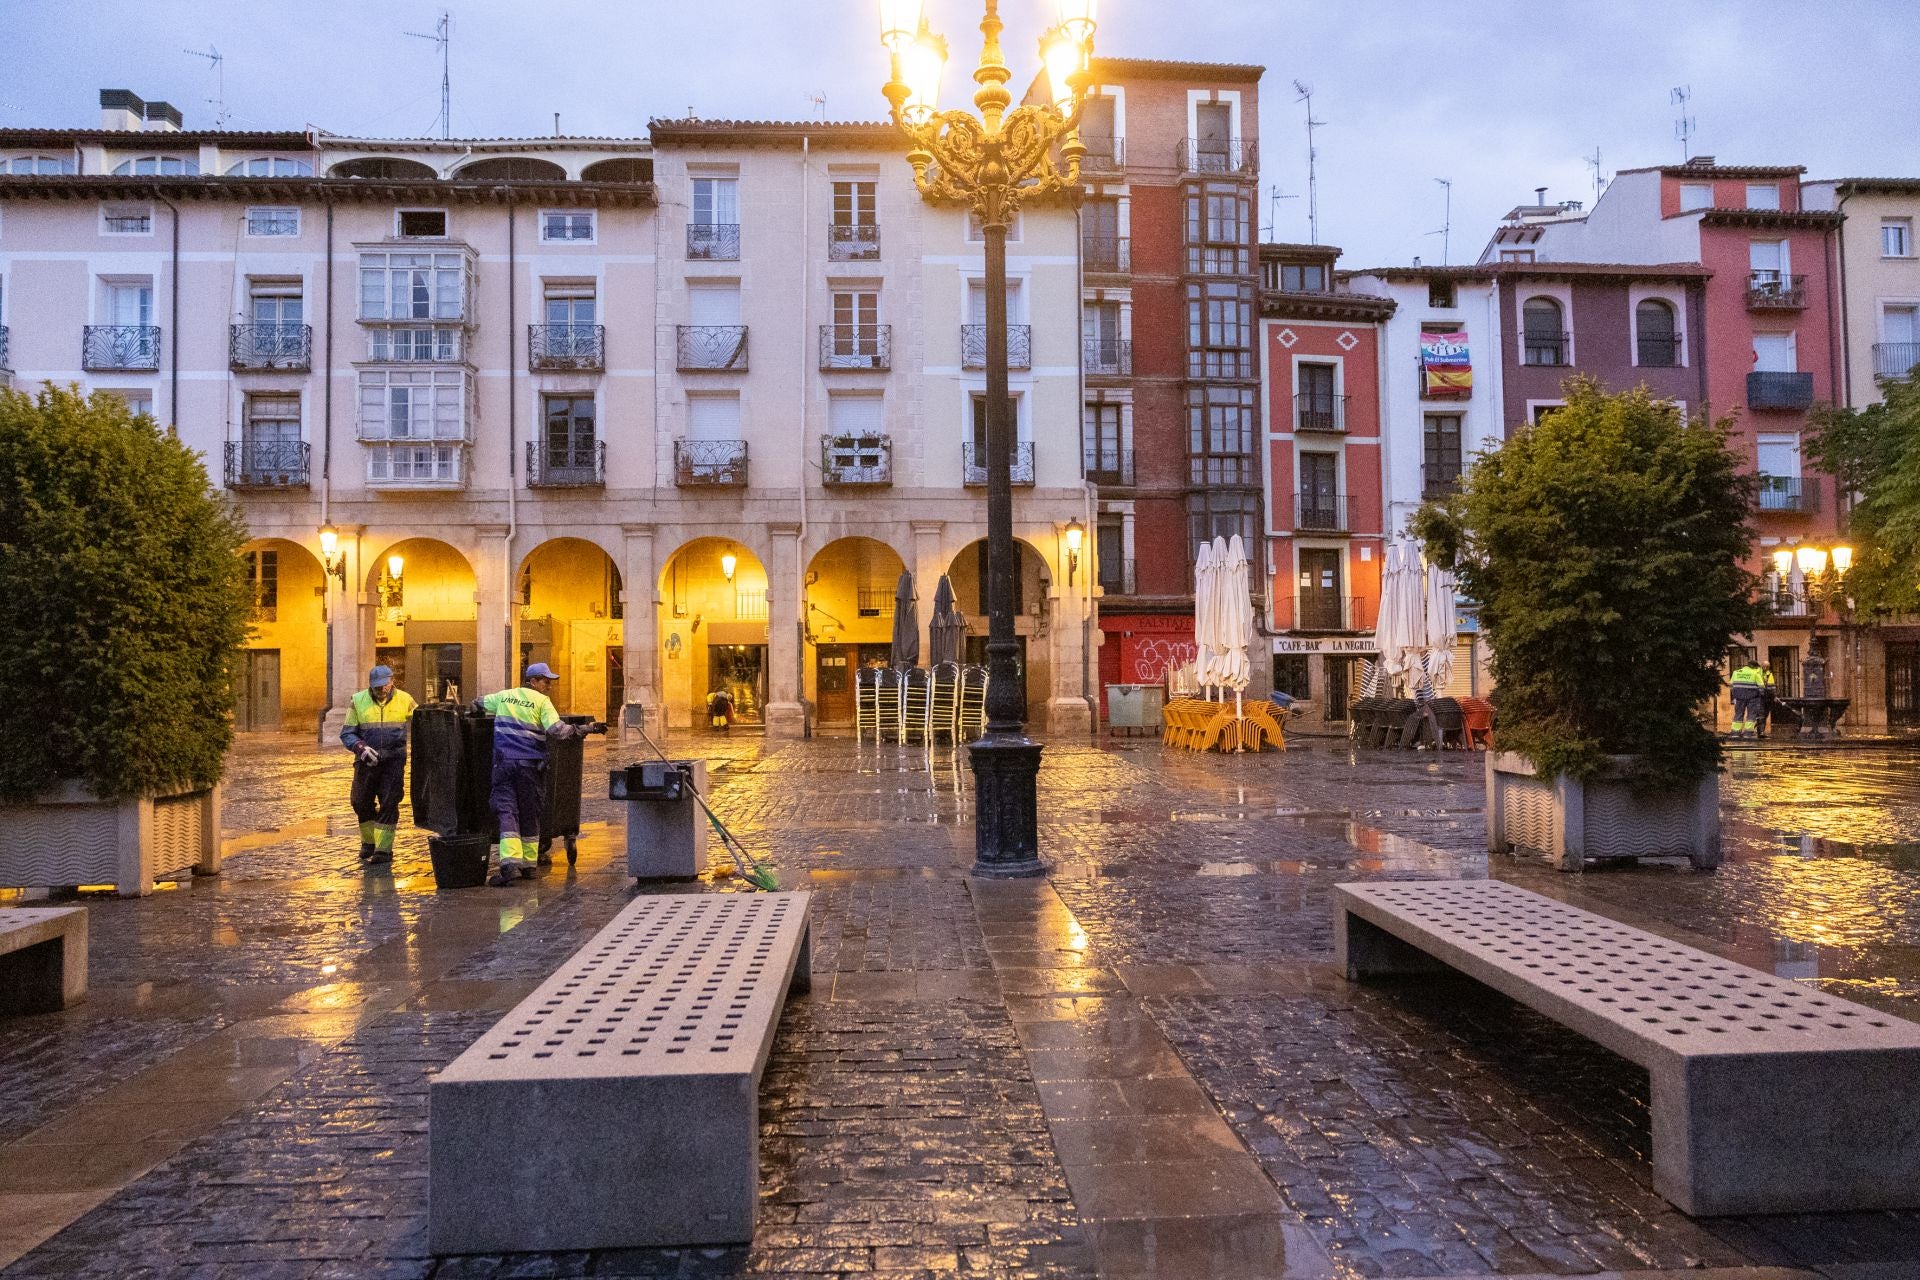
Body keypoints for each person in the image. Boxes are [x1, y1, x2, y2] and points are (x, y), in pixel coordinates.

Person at [475, 663, 600, 887]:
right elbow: (557, 731)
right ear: (532, 681)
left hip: (504, 765)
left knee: (507, 810)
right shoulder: (542, 703)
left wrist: (476, 709)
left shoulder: (505, 696)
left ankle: (510, 865)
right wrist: (585, 729)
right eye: (545, 681)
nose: (548, 686)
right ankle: (527, 866)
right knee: (530, 811)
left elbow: (479, 702)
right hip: (530, 767)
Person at [340, 665, 417, 866]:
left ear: (392, 682)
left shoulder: (406, 700)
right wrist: (361, 748)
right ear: (370, 686)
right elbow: (347, 733)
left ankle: (383, 850)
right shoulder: (358, 701)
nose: (381, 690)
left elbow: (420, 722)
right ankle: (369, 842)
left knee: (389, 803)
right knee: (360, 801)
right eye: (376, 687)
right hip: (366, 761)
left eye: (384, 686)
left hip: (393, 761)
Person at [1728, 655, 1767, 740]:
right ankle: (1748, 733)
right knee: (1751, 715)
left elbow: (1730, 684)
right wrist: (1761, 695)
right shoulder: (1755, 673)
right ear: (1753, 667)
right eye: (1756, 667)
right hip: (1752, 698)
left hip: (1739, 697)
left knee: (1738, 714)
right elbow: (1762, 686)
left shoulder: (1736, 672)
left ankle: (1735, 732)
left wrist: (1736, 693)